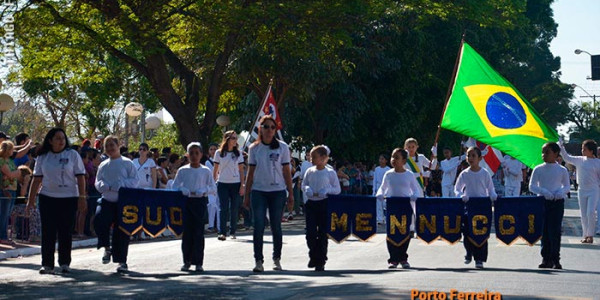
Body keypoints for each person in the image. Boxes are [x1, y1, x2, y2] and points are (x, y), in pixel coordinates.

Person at [26, 128, 87, 274]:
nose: (61, 141)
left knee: (65, 231)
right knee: (48, 232)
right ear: (50, 140)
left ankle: (65, 263)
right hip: (47, 198)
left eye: (63, 138)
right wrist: (31, 200)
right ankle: (47, 264)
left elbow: (80, 177)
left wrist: (82, 197)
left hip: (69, 198)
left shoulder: (72, 155)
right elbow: (36, 179)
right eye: (58, 138)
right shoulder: (43, 156)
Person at [243, 115, 294, 273]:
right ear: (260, 129)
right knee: (258, 225)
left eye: (273, 127)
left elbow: (287, 171)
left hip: (277, 192)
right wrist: (246, 195)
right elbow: (250, 173)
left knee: (276, 226)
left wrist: (290, 193)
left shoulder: (282, 147)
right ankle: (258, 260)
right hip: (258, 191)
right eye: (266, 127)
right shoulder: (254, 148)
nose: (269, 130)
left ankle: (276, 258)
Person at [94, 135, 139, 273]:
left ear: (118, 145)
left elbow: (135, 180)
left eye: (112, 145)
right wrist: (103, 185)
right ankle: (107, 248)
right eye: (107, 146)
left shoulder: (127, 163)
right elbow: (97, 181)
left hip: (123, 203)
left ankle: (122, 261)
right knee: (99, 220)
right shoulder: (103, 165)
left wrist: (121, 185)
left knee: (122, 231)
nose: (110, 149)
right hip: (107, 200)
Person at [172, 142, 216, 272]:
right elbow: (174, 186)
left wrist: (204, 190)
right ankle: (187, 261)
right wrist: (183, 189)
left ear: (201, 154)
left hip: (199, 202)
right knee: (187, 233)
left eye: (197, 153)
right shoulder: (182, 170)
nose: (194, 156)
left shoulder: (205, 170)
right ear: (187, 155)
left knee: (198, 233)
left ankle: (198, 262)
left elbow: (213, 188)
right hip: (187, 202)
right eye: (191, 153)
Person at [376, 148, 422, 269]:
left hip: (405, 206)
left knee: (404, 232)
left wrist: (414, 196)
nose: (393, 160)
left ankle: (403, 258)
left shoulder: (409, 174)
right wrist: (380, 194)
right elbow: (382, 188)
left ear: (404, 160)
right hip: (392, 205)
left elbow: (415, 189)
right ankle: (393, 259)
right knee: (392, 232)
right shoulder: (389, 174)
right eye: (392, 157)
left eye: (397, 157)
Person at [454, 146, 497, 269]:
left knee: (481, 233)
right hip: (469, 206)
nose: (471, 158)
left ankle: (479, 259)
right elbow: (457, 189)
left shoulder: (485, 173)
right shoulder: (464, 173)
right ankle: (469, 252)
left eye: (473, 156)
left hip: (482, 206)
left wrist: (493, 195)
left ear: (480, 158)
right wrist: (461, 195)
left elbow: (490, 189)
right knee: (467, 231)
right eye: (468, 155)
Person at [529, 142, 570, 269]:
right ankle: (545, 258)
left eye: (547, 152)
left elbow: (567, 186)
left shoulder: (562, 170)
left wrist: (560, 192)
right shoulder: (538, 169)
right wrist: (544, 192)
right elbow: (532, 186)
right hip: (543, 202)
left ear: (556, 154)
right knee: (544, 230)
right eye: (543, 152)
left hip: (557, 202)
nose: (544, 155)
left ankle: (555, 259)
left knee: (555, 231)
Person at [301, 145, 341, 271]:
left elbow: (337, 189)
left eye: (314, 157)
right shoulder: (310, 171)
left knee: (323, 234)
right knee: (310, 233)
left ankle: (321, 260)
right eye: (310, 157)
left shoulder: (330, 172)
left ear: (323, 158)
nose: (311, 159)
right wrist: (307, 189)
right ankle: (313, 255)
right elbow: (304, 184)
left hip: (324, 204)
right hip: (312, 204)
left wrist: (328, 190)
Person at [560, 139, 600, 243]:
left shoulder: (597, 163)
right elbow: (566, 157)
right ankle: (585, 235)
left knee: (591, 212)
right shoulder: (579, 160)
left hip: (594, 190)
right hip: (581, 190)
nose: (582, 151)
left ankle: (590, 235)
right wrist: (561, 146)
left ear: (591, 151)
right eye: (582, 149)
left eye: (585, 149)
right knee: (583, 213)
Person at [213, 130, 245, 241]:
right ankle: (222, 232)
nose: (235, 140)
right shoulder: (219, 153)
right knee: (223, 208)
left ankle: (233, 231)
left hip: (235, 183)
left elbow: (241, 170)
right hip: (222, 183)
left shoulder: (238, 153)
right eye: (233, 138)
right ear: (227, 139)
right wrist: (213, 183)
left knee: (234, 208)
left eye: (236, 138)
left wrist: (242, 185)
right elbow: (215, 169)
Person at [0, 141, 22, 245]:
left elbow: (13, 174)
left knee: (8, 214)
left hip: (13, 189)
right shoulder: (2, 161)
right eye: (11, 149)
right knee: (3, 214)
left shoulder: (10, 160)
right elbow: (9, 174)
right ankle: (2, 236)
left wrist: (15, 174)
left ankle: (5, 235)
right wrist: (16, 173)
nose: (13, 151)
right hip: (5, 189)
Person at [372, 153, 391, 225]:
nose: (380, 160)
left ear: (386, 160)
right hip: (378, 187)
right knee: (378, 204)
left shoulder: (388, 169)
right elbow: (375, 180)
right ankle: (380, 219)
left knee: (385, 204)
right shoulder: (377, 169)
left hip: (386, 188)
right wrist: (374, 190)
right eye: (380, 159)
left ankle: (386, 218)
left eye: (382, 159)